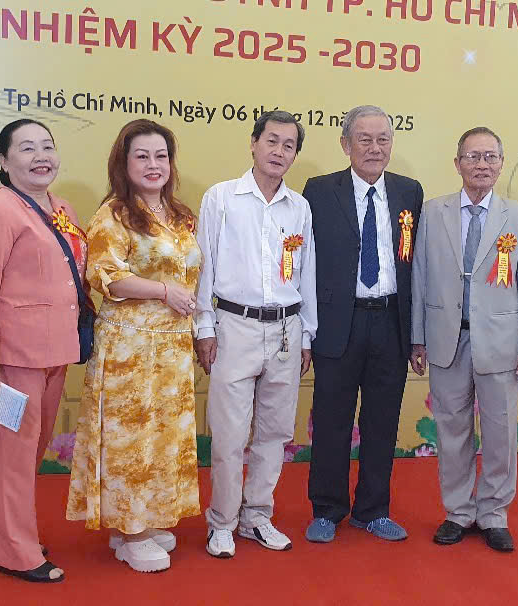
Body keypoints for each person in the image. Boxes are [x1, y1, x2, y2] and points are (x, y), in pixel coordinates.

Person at [64, 119, 201, 573]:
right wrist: (163, 291)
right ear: (123, 163)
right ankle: (131, 530)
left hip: (172, 350)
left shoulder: (179, 215)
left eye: (161, 156)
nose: (153, 164)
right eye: (142, 156)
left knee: (162, 437)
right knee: (131, 441)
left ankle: (142, 522)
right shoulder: (114, 214)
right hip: (129, 349)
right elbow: (104, 275)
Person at [409, 127, 518, 553]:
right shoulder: (433, 213)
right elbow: (419, 279)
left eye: (490, 156)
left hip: (501, 343)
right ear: (457, 164)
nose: (481, 164)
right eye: (472, 156)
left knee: (500, 433)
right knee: (451, 430)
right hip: (446, 341)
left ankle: (494, 514)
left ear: (501, 164)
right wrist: (417, 337)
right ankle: (458, 512)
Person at [0, 118, 84, 583]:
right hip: (11, 357)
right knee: (13, 456)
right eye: (27, 148)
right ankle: (17, 552)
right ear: (3, 159)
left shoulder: (61, 208)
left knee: (27, 454)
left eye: (47, 146)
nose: (41, 156)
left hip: (56, 350)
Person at [194, 110, 317, 558]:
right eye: (272, 141)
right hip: (234, 327)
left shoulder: (299, 207)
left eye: (289, 145)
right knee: (229, 435)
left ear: (295, 154)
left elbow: (307, 274)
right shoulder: (221, 198)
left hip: (286, 329)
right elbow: (203, 265)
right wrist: (204, 326)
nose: (279, 151)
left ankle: (257, 516)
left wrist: (307, 335)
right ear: (253, 143)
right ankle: (222, 521)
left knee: (275, 433)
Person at [301, 105, 423, 543]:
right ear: (345, 144)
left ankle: (373, 510)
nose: (374, 148)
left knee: (382, 422)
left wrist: (417, 333)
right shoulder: (319, 191)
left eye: (383, 139)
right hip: (339, 323)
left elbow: (416, 265)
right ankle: (327, 509)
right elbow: (304, 261)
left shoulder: (409, 192)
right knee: (331, 420)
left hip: (391, 323)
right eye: (364, 139)